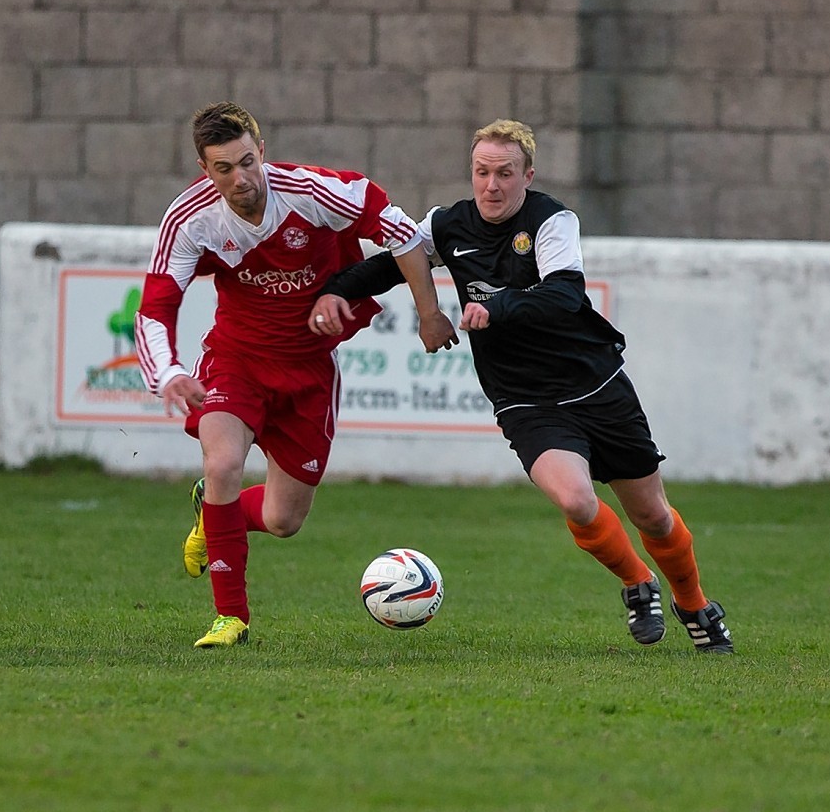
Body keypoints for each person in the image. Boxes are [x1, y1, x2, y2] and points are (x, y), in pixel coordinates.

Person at [311, 119, 733, 653]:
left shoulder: (552, 221)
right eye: (482, 172)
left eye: (505, 173)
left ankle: (694, 603)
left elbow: (562, 295)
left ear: (527, 175)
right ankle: (636, 582)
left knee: (651, 513)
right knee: (577, 500)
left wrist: (497, 305)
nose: (492, 185)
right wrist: (335, 291)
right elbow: (393, 264)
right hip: (525, 400)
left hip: (596, 385)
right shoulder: (448, 225)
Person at [135, 101, 457, 649]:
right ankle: (229, 616)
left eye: (246, 162)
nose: (240, 179)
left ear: (262, 151)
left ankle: (213, 515)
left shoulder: (312, 192)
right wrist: (166, 373)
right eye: (223, 169)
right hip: (235, 360)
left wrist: (428, 313)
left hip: (310, 371)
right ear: (204, 169)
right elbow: (155, 307)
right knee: (224, 461)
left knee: (284, 520)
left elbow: (402, 233)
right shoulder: (189, 219)